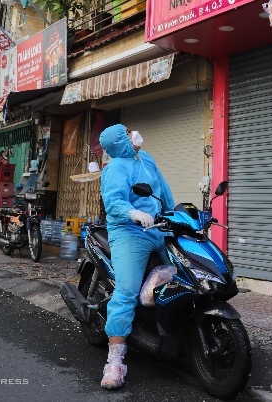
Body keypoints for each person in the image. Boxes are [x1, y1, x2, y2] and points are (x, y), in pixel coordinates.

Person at [98, 124, 175, 389]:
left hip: (156, 229)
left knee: (184, 273)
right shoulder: (115, 168)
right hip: (129, 232)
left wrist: (176, 214)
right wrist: (134, 214)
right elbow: (114, 203)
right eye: (129, 132)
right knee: (127, 291)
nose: (135, 133)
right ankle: (115, 362)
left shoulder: (147, 158)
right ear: (121, 141)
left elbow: (164, 192)